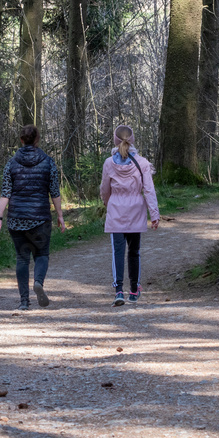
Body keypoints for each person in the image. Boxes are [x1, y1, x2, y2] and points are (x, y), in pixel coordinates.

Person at [0, 125, 67, 310]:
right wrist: (60, 215)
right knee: (41, 254)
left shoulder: (11, 163)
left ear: (21, 140)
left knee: (22, 258)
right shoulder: (48, 162)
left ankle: (24, 302)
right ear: (37, 140)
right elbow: (55, 192)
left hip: (16, 218)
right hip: (40, 218)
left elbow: (6, 193)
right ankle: (38, 282)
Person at [99, 124, 160, 307]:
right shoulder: (142, 163)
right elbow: (148, 190)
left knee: (117, 252)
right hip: (135, 210)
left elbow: (104, 189)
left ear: (115, 141)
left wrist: (109, 203)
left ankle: (118, 291)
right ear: (132, 140)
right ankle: (134, 291)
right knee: (134, 252)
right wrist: (154, 214)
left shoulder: (109, 163)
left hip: (116, 210)